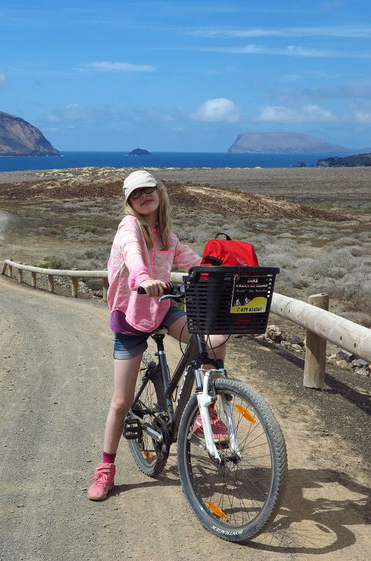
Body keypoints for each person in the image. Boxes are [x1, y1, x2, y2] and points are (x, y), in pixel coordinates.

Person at [88, 170, 228, 501]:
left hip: (162, 309)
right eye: (136, 194)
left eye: (149, 190)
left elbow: (194, 262)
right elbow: (133, 254)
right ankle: (105, 469)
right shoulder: (129, 228)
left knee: (214, 339)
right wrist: (143, 278)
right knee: (121, 401)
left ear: (160, 192)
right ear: (129, 202)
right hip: (131, 319)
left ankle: (204, 411)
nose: (144, 197)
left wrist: (224, 272)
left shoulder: (166, 234)